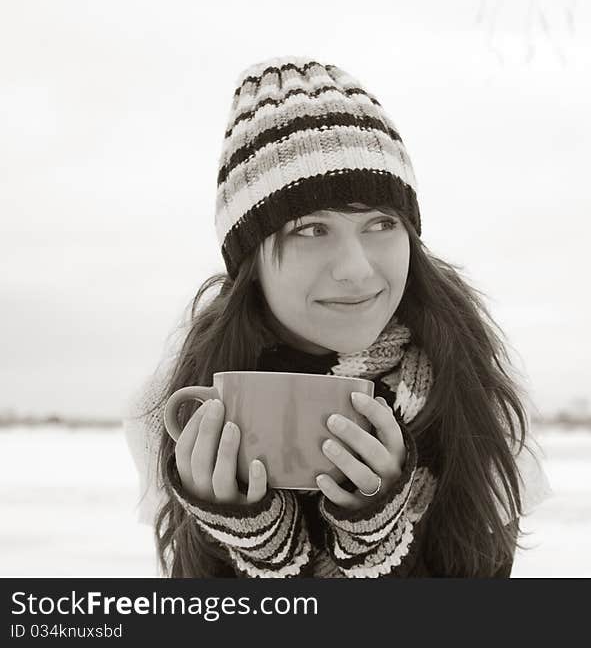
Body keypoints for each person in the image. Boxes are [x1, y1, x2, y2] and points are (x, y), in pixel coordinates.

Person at [124, 55, 552, 578]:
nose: (357, 268)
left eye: (382, 223)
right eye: (310, 229)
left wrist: (376, 538)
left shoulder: (477, 392)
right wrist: (254, 542)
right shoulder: (179, 409)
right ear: (249, 262)